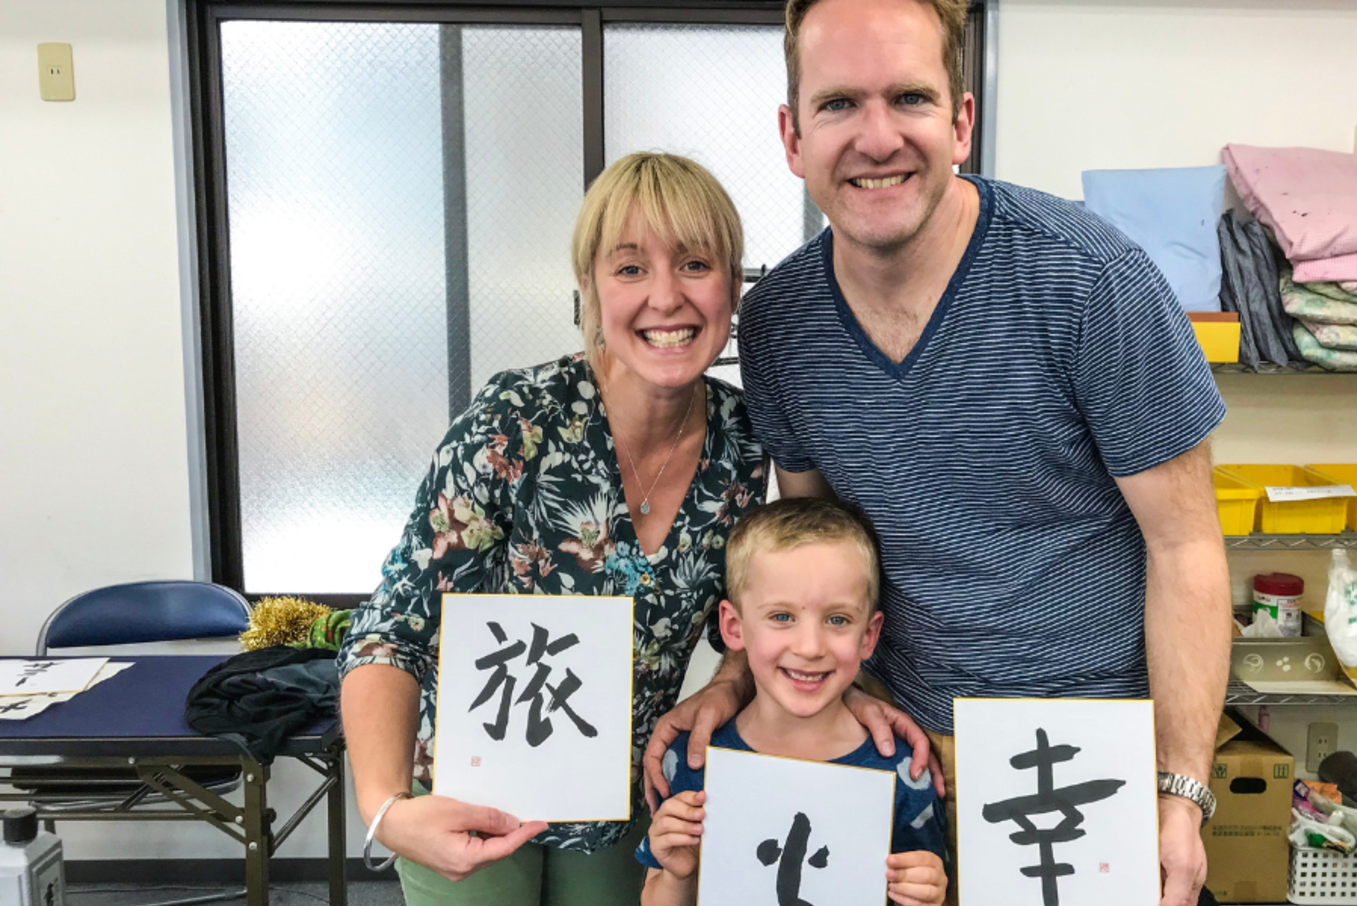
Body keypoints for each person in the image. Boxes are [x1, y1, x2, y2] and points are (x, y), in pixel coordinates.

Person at [644, 2, 1234, 905]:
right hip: (899, 757)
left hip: (1087, 754)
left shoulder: (1088, 279)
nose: (877, 138)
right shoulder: (780, 324)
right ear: (792, 135)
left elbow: (1187, 548)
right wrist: (749, 684)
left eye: (908, 98)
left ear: (959, 120)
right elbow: (813, 553)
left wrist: (1181, 793)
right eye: (839, 104)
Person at [337, 151, 766, 906]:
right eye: (630, 268)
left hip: (625, 798)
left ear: (733, 285)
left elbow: (748, 618)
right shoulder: (520, 421)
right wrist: (384, 807)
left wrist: (728, 684)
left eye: (696, 263)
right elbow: (393, 627)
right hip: (473, 793)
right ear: (590, 287)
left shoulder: (743, 444)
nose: (666, 298)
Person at [638, 497, 947, 906]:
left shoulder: (905, 772)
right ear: (734, 627)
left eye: (837, 619)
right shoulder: (692, 762)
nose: (809, 646)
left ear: (868, 636)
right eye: (782, 616)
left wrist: (930, 896)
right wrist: (678, 876)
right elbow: (656, 896)